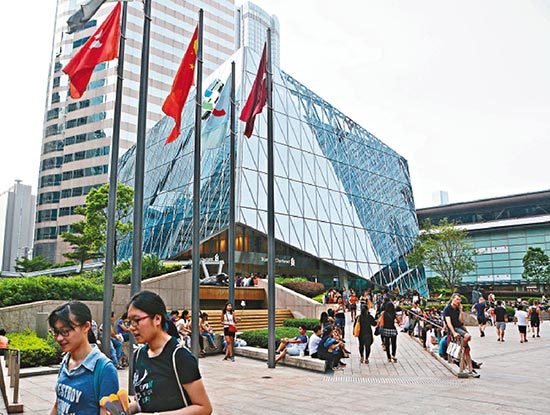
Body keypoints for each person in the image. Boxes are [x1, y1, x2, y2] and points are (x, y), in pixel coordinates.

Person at [125, 290, 212, 414]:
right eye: (129, 322)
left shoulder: (179, 356)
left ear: (157, 319)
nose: (131, 327)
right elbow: (143, 400)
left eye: (136, 320)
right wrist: (128, 409)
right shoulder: (139, 355)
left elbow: (204, 408)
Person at [48, 301, 119, 415]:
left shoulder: (105, 369)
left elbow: (109, 411)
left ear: (86, 327)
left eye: (65, 331)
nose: (59, 338)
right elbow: (58, 405)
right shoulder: (66, 361)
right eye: (56, 332)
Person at [443, 293, 479, 378]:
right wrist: (453, 332)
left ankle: (470, 369)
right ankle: (460, 352)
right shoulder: (447, 309)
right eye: (457, 299)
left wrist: (461, 311)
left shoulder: (458, 309)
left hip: (460, 328)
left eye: (459, 300)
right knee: (467, 337)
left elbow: (461, 321)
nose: (458, 301)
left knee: (467, 350)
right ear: (452, 299)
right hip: (454, 329)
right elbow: (449, 323)